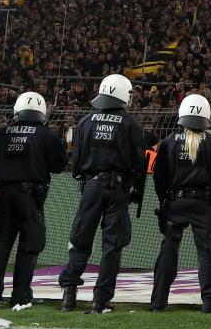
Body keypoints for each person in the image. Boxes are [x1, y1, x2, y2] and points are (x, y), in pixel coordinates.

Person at [58, 74, 146, 313]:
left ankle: (69, 294)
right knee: (112, 244)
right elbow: (139, 163)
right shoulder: (131, 124)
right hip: (117, 189)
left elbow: (76, 159)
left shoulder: (86, 121)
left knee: (80, 241)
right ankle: (100, 299)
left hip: (90, 187)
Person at [0, 92, 66, 306]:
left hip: (4, 196)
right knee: (30, 245)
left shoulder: (1, 133)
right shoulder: (46, 135)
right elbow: (58, 166)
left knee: (0, 245)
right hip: (30, 197)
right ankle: (20, 295)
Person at [150, 94, 211, 313]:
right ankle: (209, 300)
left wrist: (164, 203)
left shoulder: (168, 142)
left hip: (175, 202)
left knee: (168, 249)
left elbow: (159, 178)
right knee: (207, 251)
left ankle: (158, 301)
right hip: (202, 204)